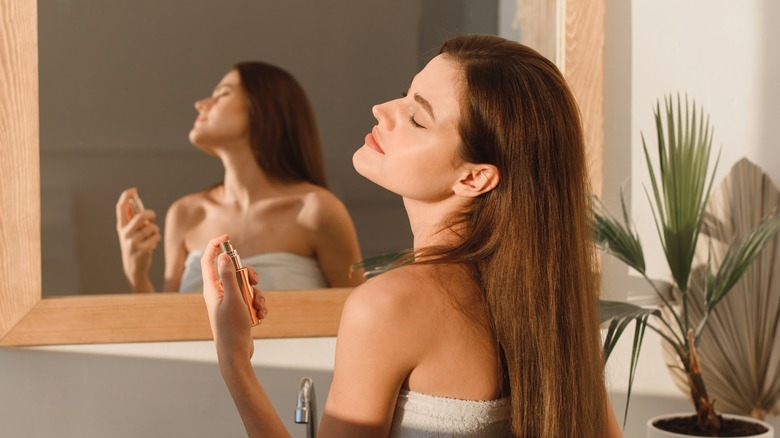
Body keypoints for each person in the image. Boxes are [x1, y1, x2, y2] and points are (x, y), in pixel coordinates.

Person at [202, 35, 622, 437]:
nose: (382, 109)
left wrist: (234, 361)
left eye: (418, 118)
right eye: (405, 93)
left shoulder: (388, 306)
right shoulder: (554, 308)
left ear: (474, 177)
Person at [115, 61, 363, 293]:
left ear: (263, 107)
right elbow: (168, 326)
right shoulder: (186, 214)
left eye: (222, 94)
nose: (201, 103)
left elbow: (355, 315)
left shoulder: (317, 211)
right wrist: (136, 274)